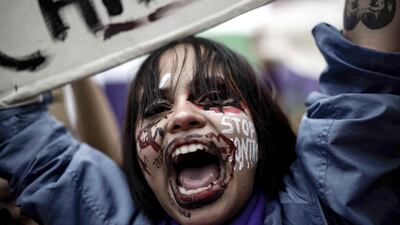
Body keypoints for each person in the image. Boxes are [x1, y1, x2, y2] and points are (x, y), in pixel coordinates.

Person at [0, 0, 399, 224]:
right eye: (156, 108)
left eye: (212, 98)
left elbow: (364, 76)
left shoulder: (326, 211)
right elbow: (23, 132)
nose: (180, 116)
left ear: (260, 133)